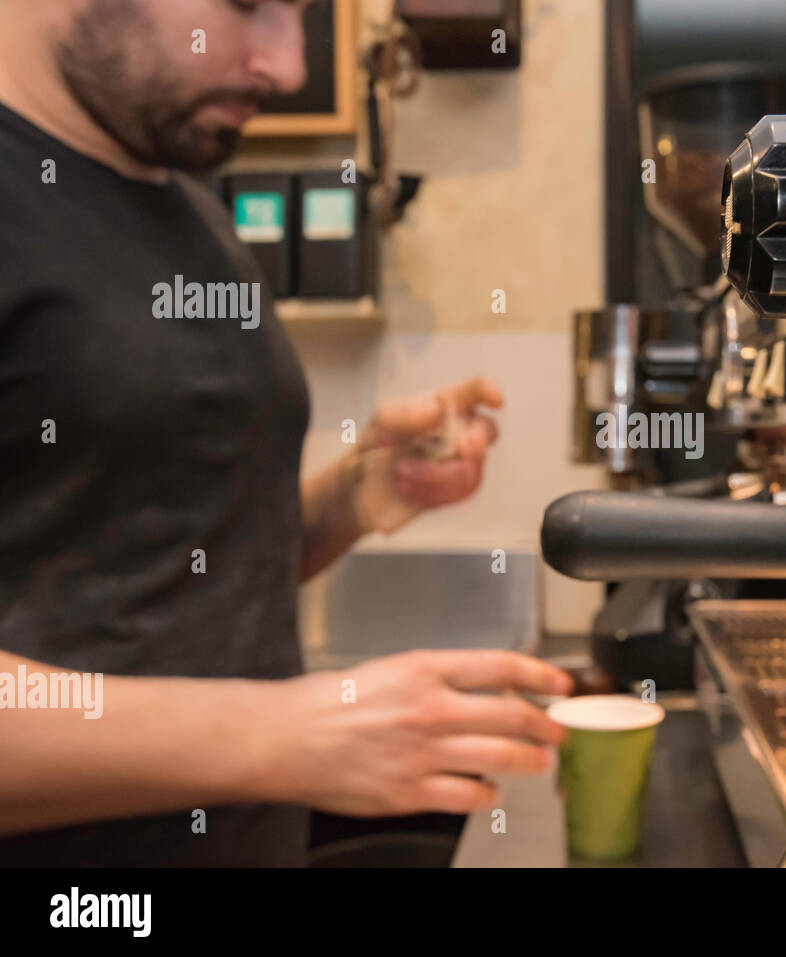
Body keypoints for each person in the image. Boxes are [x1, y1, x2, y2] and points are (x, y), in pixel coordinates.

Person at [0, 0, 573, 866]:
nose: (289, 65)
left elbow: (173, 565)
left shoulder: (195, 213)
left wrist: (358, 493)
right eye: (249, 5)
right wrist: (284, 735)